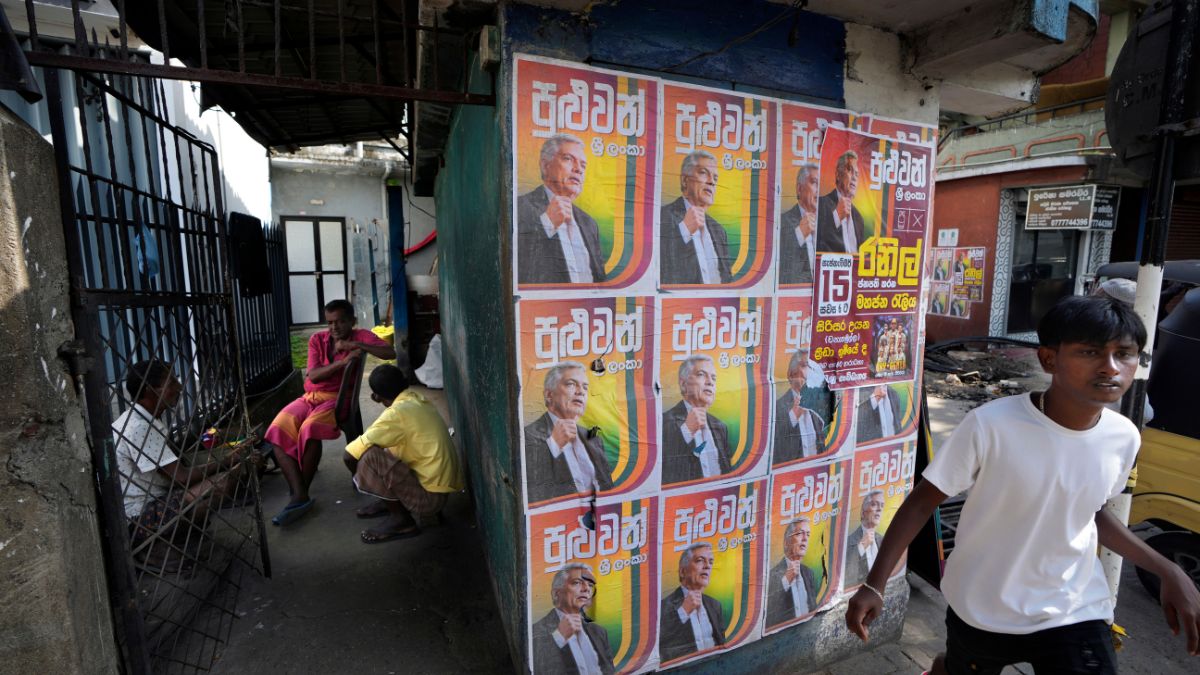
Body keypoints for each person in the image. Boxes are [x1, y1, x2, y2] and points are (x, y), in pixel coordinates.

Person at [845, 295, 1200, 674]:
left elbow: (1090, 513)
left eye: (1125, 354)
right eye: (1091, 352)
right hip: (983, 608)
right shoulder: (991, 426)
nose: (1111, 367)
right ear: (1049, 359)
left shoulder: (1124, 437)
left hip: (1074, 608)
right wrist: (875, 584)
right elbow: (920, 503)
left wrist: (1168, 569)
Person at [264, 299, 395, 525]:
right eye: (330, 322)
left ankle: (298, 495)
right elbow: (313, 375)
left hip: (337, 399)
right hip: (309, 398)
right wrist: (342, 363)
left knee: (311, 429)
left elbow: (388, 351)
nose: (334, 328)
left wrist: (358, 347)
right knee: (276, 429)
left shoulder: (360, 336)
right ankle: (300, 492)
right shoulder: (317, 339)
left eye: (341, 322)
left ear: (352, 321)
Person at [112, 360, 248, 565]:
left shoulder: (142, 419)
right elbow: (181, 477)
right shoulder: (138, 426)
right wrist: (228, 460)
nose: (179, 386)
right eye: (171, 381)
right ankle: (154, 548)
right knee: (221, 482)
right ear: (150, 391)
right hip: (137, 517)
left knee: (216, 477)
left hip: (149, 503)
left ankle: (177, 538)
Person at [342, 364, 461, 543]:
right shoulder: (415, 398)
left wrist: (363, 478)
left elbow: (348, 456)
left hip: (429, 500)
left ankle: (402, 520)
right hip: (439, 490)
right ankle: (388, 501)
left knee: (369, 457)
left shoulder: (396, 414)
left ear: (376, 397)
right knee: (384, 446)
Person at [517, 134, 606, 284]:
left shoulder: (589, 223)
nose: (578, 169)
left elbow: (601, 282)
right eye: (568, 159)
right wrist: (546, 224)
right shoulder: (519, 208)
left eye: (583, 165)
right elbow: (514, 270)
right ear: (546, 165)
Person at [524, 361, 614, 503]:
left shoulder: (593, 438)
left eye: (585, 387)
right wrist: (553, 445)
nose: (581, 391)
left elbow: (608, 490)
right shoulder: (527, 435)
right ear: (549, 394)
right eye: (571, 384)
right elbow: (530, 492)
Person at [660, 151, 732, 284]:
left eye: (715, 178)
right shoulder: (662, 217)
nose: (711, 182)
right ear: (685, 180)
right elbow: (658, 269)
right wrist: (683, 231)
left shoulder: (719, 230)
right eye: (704, 172)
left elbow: (728, 279)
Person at [531, 563, 616, 675]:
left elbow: (609, 669)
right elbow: (537, 669)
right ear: (556, 593)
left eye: (590, 585)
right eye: (577, 583)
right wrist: (559, 638)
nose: (586, 589)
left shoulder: (599, 632)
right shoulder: (535, 630)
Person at [661, 355, 731, 484]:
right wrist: (686, 431)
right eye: (701, 374)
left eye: (713, 378)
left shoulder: (720, 427)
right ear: (683, 384)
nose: (710, 382)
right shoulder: (663, 423)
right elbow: (665, 475)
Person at [659, 543, 727, 662]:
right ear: (682, 571)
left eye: (711, 562)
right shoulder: (663, 607)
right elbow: (660, 645)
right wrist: (683, 611)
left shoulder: (715, 605)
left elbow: (721, 642)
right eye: (700, 560)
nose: (707, 566)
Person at [773, 350, 826, 463]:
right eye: (805, 366)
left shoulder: (817, 403)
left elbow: (821, 446)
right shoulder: (777, 407)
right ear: (791, 374)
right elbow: (776, 450)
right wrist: (793, 415)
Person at [766, 518, 820, 627]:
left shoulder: (809, 573)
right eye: (800, 534)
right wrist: (785, 581)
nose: (805, 539)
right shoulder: (771, 576)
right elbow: (769, 617)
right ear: (786, 542)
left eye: (808, 535)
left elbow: (813, 608)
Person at [816, 150, 867, 254]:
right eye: (849, 170)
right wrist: (836, 216)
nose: (854, 177)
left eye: (856, 174)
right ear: (838, 174)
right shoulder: (820, 204)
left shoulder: (859, 218)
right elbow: (816, 243)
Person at [779, 163, 819, 284]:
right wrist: (800, 234)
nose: (818, 189)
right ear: (799, 188)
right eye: (814, 182)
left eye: (820, 184)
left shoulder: (828, 223)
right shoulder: (783, 221)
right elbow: (781, 267)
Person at [843, 490, 887, 589]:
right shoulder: (847, 542)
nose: (879, 509)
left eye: (882, 505)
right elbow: (845, 577)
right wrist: (861, 547)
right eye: (874, 504)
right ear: (863, 513)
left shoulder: (883, 540)